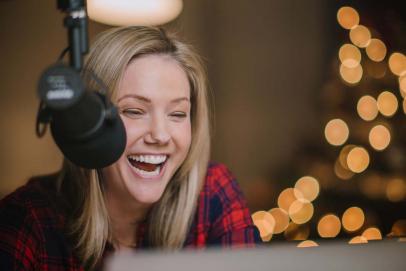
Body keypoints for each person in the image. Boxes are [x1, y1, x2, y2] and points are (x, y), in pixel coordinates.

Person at [0, 26, 261, 270]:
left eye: (178, 114)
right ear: (87, 122)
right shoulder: (27, 217)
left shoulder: (212, 192)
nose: (160, 135)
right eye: (134, 111)